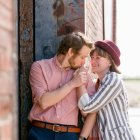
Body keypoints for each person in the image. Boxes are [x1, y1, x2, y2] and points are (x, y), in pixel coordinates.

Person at [28, 31, 96, 140]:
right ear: (70, 52)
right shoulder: (39, 68)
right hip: (40, 133)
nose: (84, 62)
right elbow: (44, 102)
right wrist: (72, 83)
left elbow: (91, 111)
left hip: (69, 135)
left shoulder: (83, 75)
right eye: (82, 57)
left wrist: (83, 137)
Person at [77, 40, 136, 140]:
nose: (93, 61)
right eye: (92, 57)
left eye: (98, 57)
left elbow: (87, 108)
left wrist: (78, 81)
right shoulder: (99, 83)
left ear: (109, 61)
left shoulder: (113, 79)